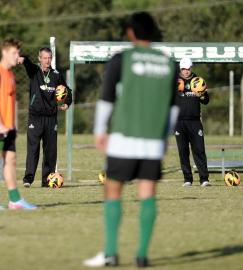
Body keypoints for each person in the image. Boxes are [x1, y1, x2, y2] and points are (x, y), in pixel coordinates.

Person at [83, 12, 179, 268]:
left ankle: (111, 253)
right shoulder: (169, 64)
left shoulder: (122, 59)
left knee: (113, 191)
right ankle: (142, 255)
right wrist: (165, 138)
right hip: (153, 142)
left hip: (124, 139)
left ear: (131, 33)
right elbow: (173, 108)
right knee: (147, 194)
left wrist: (100, 129)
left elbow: (107, 97)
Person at [0, 38, 37, 210]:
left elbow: (10, 102)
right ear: (4, 53)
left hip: (8, 126)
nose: (17, 56)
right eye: (14, 53)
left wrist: (12, 125)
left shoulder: (11, 74)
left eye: (18, 53)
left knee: (11, 160)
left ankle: (15, 200)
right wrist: (0, 124)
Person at [18, 47, 72, 187]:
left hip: (51, 117)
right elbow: (27, 63)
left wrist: (66, 103)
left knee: (50, 151)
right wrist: (22, 58)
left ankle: (46, 180)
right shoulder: (34, 71)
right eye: (45, 58)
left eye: (49, 58)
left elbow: (68, 91)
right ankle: (28, 179)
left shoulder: (56, 75)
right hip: (35, 117)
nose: (47, 60)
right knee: (33, 149)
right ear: (39, 58)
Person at [175, 57, 210, 187]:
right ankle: (187, 179)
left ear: (191, 68)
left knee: (199, 150)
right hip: (179, 122)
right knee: (183, 151)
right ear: (180, 69)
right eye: (183, 69)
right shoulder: (175, 82)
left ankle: (204, 179)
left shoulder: (198, 81)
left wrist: (202, 94)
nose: (186, 71)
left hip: (195, 122)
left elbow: (206, 101)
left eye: (188, 68)